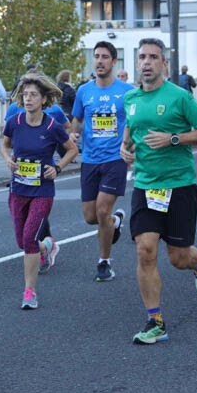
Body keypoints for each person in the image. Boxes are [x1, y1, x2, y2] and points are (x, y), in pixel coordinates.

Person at [120, 38, 197, 345]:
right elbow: (131, 133)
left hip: (179, 185)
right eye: (143, 57)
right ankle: (155, 321)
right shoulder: (131, 98)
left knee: (178, 258)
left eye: (153, 57)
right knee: (145, 249)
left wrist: (173, 138)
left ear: (164, 64)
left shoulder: (179, 97)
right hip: (146, 185)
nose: (147, 62)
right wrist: (125, 149)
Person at [1, 73, 77, 308]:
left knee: (29, 237)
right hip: (18, 189)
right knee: (22, 243)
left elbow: (72, 150)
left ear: (44, 100)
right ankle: (48, 246)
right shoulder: (15, 122)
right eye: (25, 95)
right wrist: (8, 159)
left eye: (33, 95)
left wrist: (58, 167)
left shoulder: (52, 126)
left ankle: (29, 292)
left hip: (42, 191)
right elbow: (4, 144)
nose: (28, 99)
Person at [70, 42, 132, 282]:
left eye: (105, 57)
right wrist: (73, 135)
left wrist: (130, 147)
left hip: (115, 158)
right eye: (96, 56)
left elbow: (134, 120)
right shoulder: (84, 91)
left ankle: (104, 262)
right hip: (90, 159)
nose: (99, 61)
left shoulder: (127, 91)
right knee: (90, 217)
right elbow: (76, 119)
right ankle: (115, 222)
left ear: (114, 62)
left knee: (102, 209)